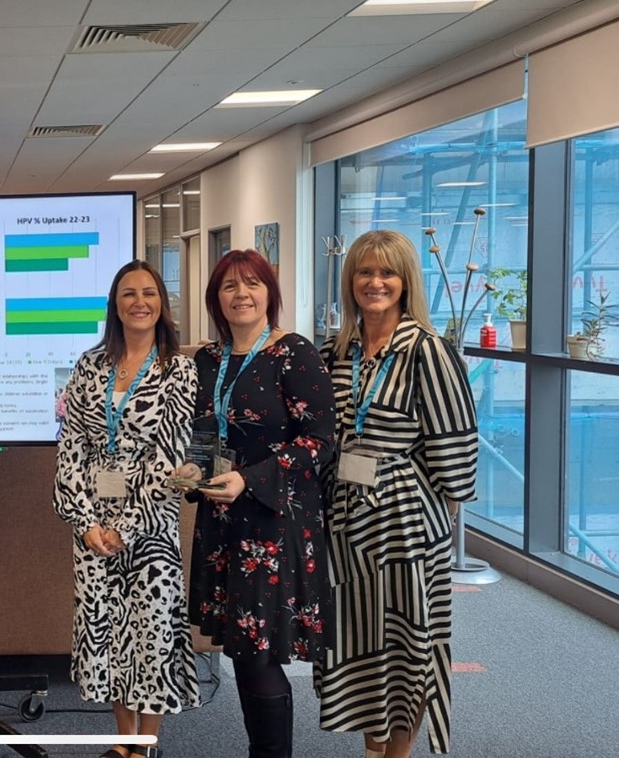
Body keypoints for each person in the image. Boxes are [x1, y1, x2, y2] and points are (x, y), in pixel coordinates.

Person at [315, 230, 478, 757]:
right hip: (344, 522)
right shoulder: (334, 351)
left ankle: (399, 754)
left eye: (387, 273)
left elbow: (453, 440)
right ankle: (372, 746)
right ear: (350, 281)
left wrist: (440, 514)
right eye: (365, 272)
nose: (375, 282)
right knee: (359, 639)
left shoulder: (428, 351)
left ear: (406, 282)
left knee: (407, 646)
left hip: (405, 524)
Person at [172, 250, 336, 758]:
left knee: (258, 651)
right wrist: (195, 469)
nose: (240, 294)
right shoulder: (208, 358)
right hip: (221, 519)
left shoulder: (294, 354)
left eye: (251, 284)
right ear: (215, 298)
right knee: (242, 650)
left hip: (273, 520)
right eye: (228, 287)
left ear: (269, 293)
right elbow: (205, 429)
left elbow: (320, 440)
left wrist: (250, 478)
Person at [52, 260, 199, 758]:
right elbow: (70, 445)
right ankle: (122, 739)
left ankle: (147, 743)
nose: (140, 301)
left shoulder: (178, 368)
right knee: (105, 630)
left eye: (150, 293)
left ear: (162, 303)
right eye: (128, 293)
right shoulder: (89, 365)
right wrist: (85, 520)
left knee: (152, 633)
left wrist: (125, 527)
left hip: (151, 522)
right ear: (115, 305)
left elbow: (170, 454)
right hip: (92, 522)